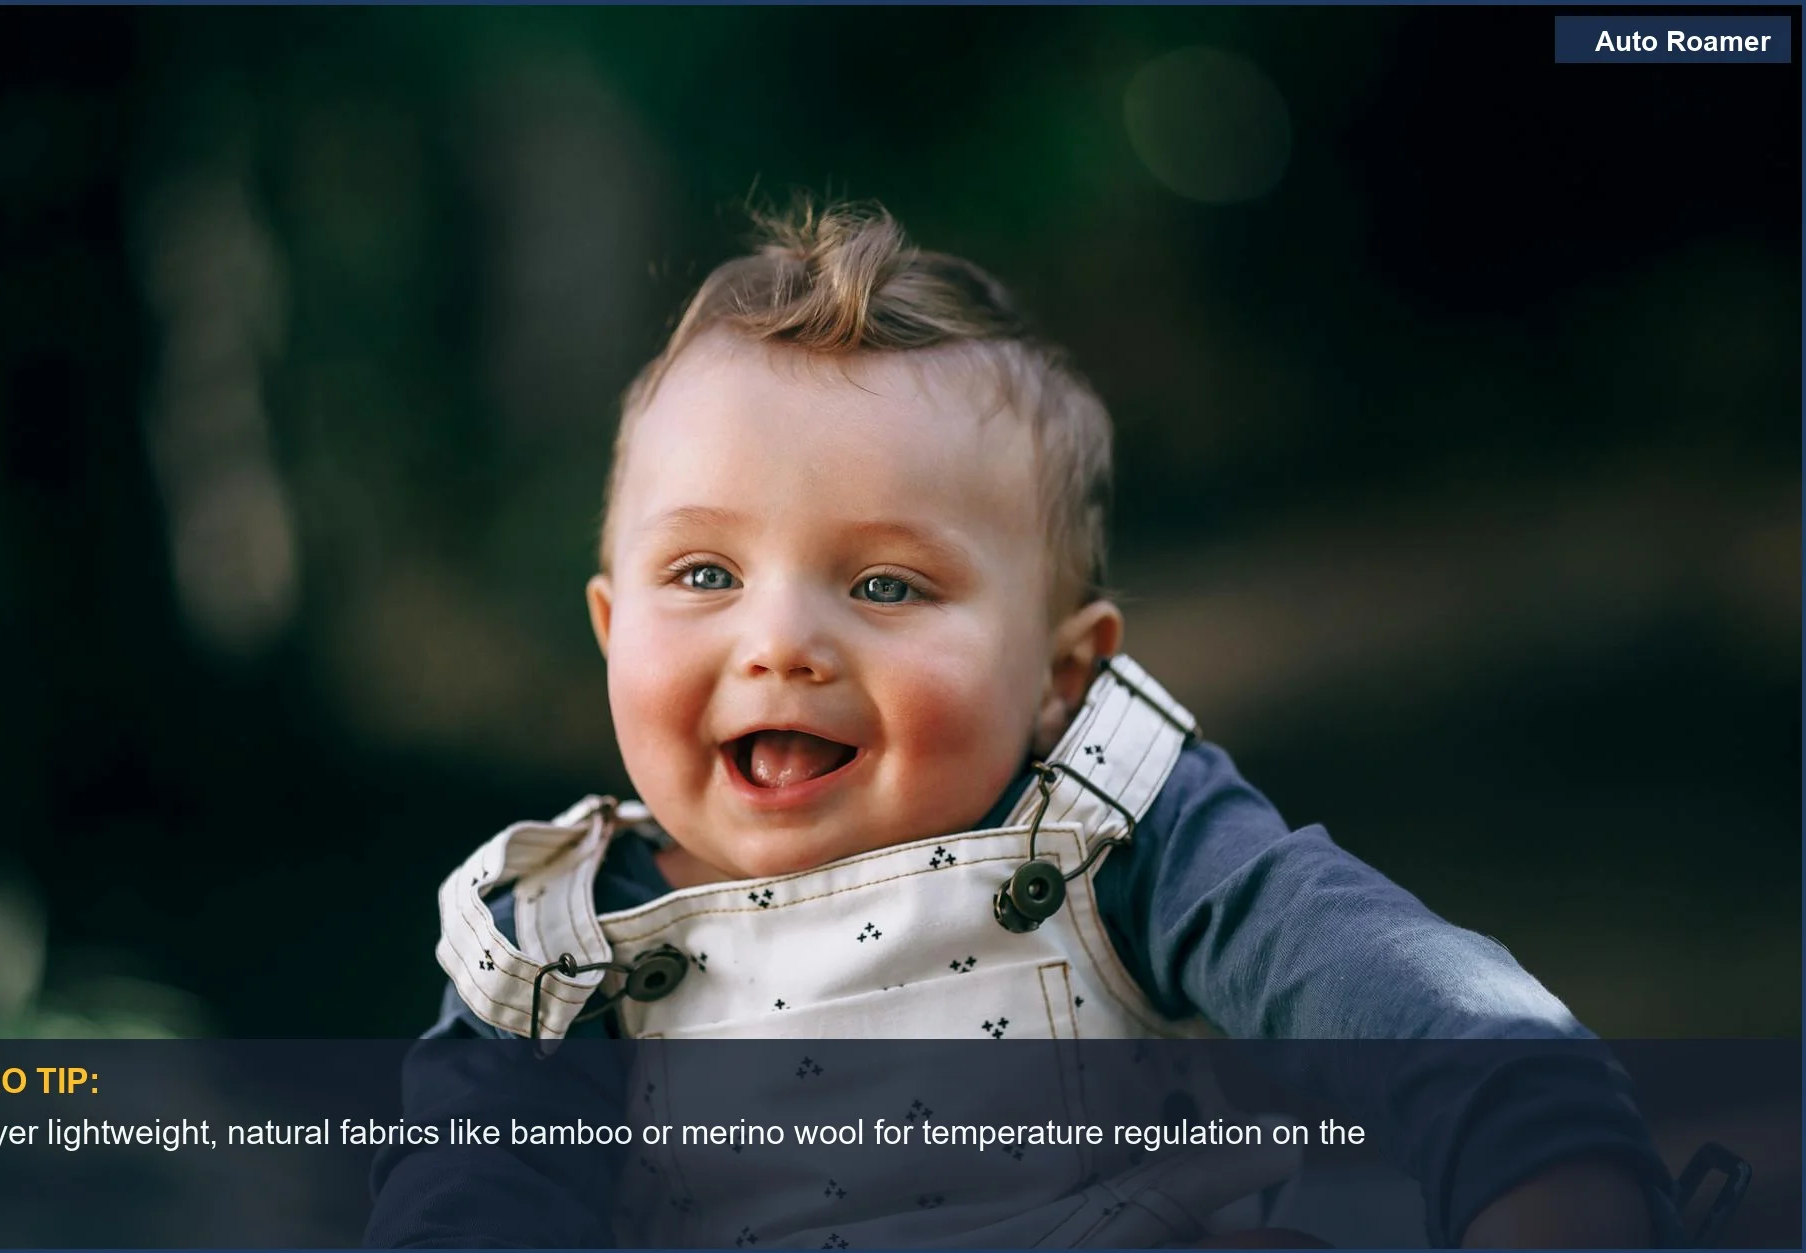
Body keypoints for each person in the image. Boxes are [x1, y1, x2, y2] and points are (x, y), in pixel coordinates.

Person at [367, 201, 1683, 1249]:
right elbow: (471, 1208)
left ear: (1063, 677)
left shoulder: (1118, 839)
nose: (779, 642)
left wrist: (1537, 1143)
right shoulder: (556, 953)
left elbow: (1371, 976)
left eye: (886, 584)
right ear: (611, 629)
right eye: (704, 575)